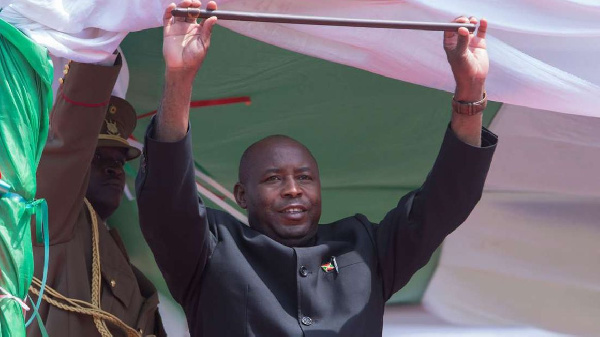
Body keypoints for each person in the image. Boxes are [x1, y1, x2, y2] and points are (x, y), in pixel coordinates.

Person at [136, 1, 497, 336]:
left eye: (305, 177)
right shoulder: (210, 250)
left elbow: (445, 202)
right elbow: (167, 198)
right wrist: (179, 76)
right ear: (241, 195)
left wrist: (471, 89)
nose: (293, 189)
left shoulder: (364, 248)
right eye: (273, 178)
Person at [28, 55, 166, 337]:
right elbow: (69, 143)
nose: (113, 170)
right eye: (97, 157)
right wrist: (98, 54)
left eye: (118, 162)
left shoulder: (109, 242)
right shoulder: (53, 214)